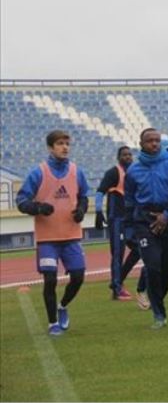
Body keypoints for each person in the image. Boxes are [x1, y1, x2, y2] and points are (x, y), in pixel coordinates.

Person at [16, 130, 90, 336]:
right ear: (50, 147)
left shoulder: (76, 171)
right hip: (47, 239)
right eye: (60, 143)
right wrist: (38, 207)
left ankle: (62, 305)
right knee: (50, 280)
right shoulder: (38, 172)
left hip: (71, 236)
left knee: (78, 277)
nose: (65, 147)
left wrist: (81, 210)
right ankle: (52, 323)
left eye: (67, 143)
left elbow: (84, 196)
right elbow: (21, 201)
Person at [123, 128, 168, 329]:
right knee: (152, 266)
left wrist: (167, 214)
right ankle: (159, 314)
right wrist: (129, 230)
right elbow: (129, 201)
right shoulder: (133, 171)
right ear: (141, 144)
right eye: (149, 141)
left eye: (157, 140)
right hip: (145, 223)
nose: (154, 144)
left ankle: (156, 299)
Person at [95, 146, 145, 302]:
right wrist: (98, 211)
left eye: (130, 154)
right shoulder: (113, 173)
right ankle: (117, 290)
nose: (128, 157)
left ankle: (117, 280)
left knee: (138, 249)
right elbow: (100, 191)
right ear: (118, 157)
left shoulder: (135, 173)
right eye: (124, 155)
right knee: (118, 254)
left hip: (130, 220)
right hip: (117, 219)